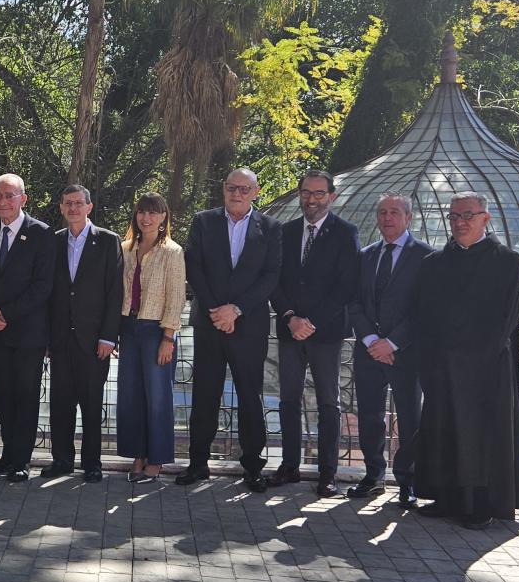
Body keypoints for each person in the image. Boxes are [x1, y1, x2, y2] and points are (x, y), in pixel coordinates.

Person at [413, 192, 519, 529]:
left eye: (468, 215)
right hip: (441, 367)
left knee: (479, 437)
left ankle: (480, 504)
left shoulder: (506, 261)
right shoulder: (434, 264)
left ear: (485, 218)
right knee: (442, 432)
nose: (460, 223)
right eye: (454, 217)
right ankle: (445, 497)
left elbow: (505, 320)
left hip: (484, 370)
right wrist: (434, 359)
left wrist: (471, 358)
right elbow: (422, 316)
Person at [179, 168, 282, 491]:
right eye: (231, 188)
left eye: (244, 188)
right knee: (205, 395)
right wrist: (215, 310)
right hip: (209, 323)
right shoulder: (204, 221)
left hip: (248, 325)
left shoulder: (271, 228)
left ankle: (252, 467)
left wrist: (236, 309)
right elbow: (193, 265)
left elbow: (271, 275)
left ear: (256, 191)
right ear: (224, 190)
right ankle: (198, 464)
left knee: (250, 397)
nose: (236, 193)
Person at [268, 170, 361, 497]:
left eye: (319, 193)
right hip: (290, 329)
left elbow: (346, 285)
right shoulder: (285, 231)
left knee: (328, 403)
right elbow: (274, 280)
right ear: (299, 194)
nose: (312, 199)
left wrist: (312, 322)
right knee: (288, 399)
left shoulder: (346, 233)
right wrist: (292, 317)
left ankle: (327, 474)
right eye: (307, 192)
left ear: (331, 196)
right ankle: (289, 466)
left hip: (326, 333)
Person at [347, 193, 432, 507]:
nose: (387, 218)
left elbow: (424, 308)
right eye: (382, 212)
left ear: (408, 217)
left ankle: (408, 483)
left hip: (405, 352)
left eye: (394, 212)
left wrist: (392, 342)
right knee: (369, 415)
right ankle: (373, 477)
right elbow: (354, 302)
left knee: (410, 417)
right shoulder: (366, 255)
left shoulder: (426, 257)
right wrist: (371, 341)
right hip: (368, 351)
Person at [0, 173, 55, 482]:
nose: (3, 201)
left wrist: (5, 313)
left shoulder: (42, 234)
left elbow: (42, 286)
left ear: (23, 198)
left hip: (28, 333)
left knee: (25, 396)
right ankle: (8, 455)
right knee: (3, 397)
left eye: (10, 195)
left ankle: (22, 460)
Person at [44, 185, 122, 483]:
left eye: (79, 203)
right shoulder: (54, 241)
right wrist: (49, 337)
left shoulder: (107, 240)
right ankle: (62, 460)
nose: (73, 208)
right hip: (61, 339)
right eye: (68, 203)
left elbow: (115, 293)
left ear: (89, 207)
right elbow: (49, 292)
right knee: (60, 404)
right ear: (62, 208)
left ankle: (93, 463)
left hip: (94, 340)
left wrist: (108, 337)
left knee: (92, 404)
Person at [115, 193, 187, 484]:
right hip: (129, 329)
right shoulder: (125, 248)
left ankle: (156, 460)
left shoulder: (173, 251)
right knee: (131, 396)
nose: (147, 218)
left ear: (163, 217)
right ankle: (137, 454)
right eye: (142, 212)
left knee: (158, 397)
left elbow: (176, 297)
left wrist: (168, 337)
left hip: (157, 330)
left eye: (153, 213)